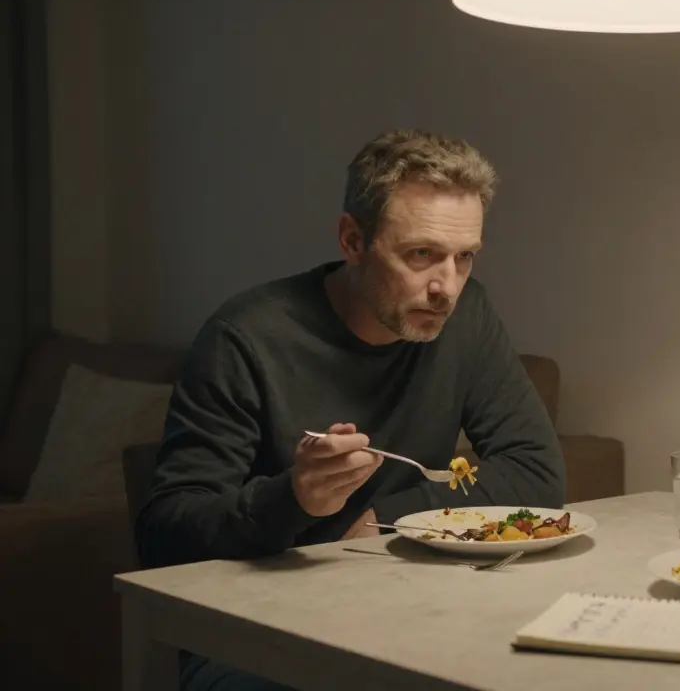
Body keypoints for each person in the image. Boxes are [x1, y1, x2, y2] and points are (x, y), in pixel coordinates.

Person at [135, 128, 566, 690]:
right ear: (352, 240)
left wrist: (386, 517)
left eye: (465, 258)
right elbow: (165, 535)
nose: (448, 287)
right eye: (421, 255)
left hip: (408, 613)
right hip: (257, 632)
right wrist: (293, 498)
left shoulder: (466, 317)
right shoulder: (244, 337)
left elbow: (537, 473)